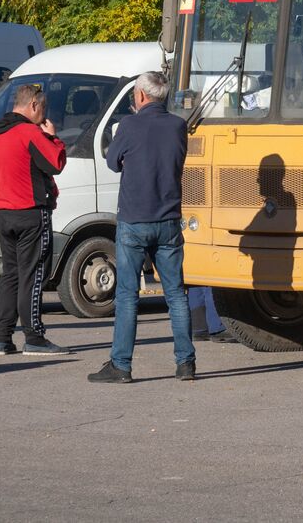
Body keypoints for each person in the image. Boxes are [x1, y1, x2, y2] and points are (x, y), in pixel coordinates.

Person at [88, 71, 197, 383]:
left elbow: (111, 162)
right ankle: (185, 362)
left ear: (140, 97)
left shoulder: (130, 125)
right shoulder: (178, 126)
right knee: (176, 293)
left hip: (135, 220)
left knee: (127, 295)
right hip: (168, 220)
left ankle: (121, 365)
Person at [0, 83, 69, 356]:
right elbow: (56, 163)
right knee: (32, 275)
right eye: (43, 109)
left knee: (10, 275)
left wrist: (2, 197)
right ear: (33, 105)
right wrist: (53, 137)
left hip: (2, 212)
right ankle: (34, 337)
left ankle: (3, 338)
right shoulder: (30, 132)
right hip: (30, 212)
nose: (44, 115)